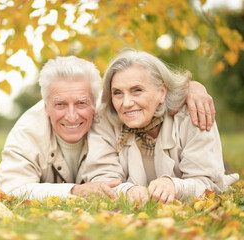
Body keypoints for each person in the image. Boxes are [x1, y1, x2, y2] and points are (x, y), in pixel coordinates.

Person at [0, 55, 217, 201]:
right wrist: (75, 191)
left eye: (82, 103)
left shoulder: (112, 109)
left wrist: (193, 88)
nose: (71, 116)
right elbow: (8, 190)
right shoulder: (27, 131)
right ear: (46, 107)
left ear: (96, 102)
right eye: (60, 104)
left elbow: (145, 79)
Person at [82, 49, 239, 204]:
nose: (126, 103)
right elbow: (102, 181)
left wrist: (173, 185)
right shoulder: (104, 118)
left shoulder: (193, 113)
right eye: (117, 93)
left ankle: (225, 167)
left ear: (162, 91)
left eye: (137, 90)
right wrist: (127, 190)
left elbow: (209, 185)